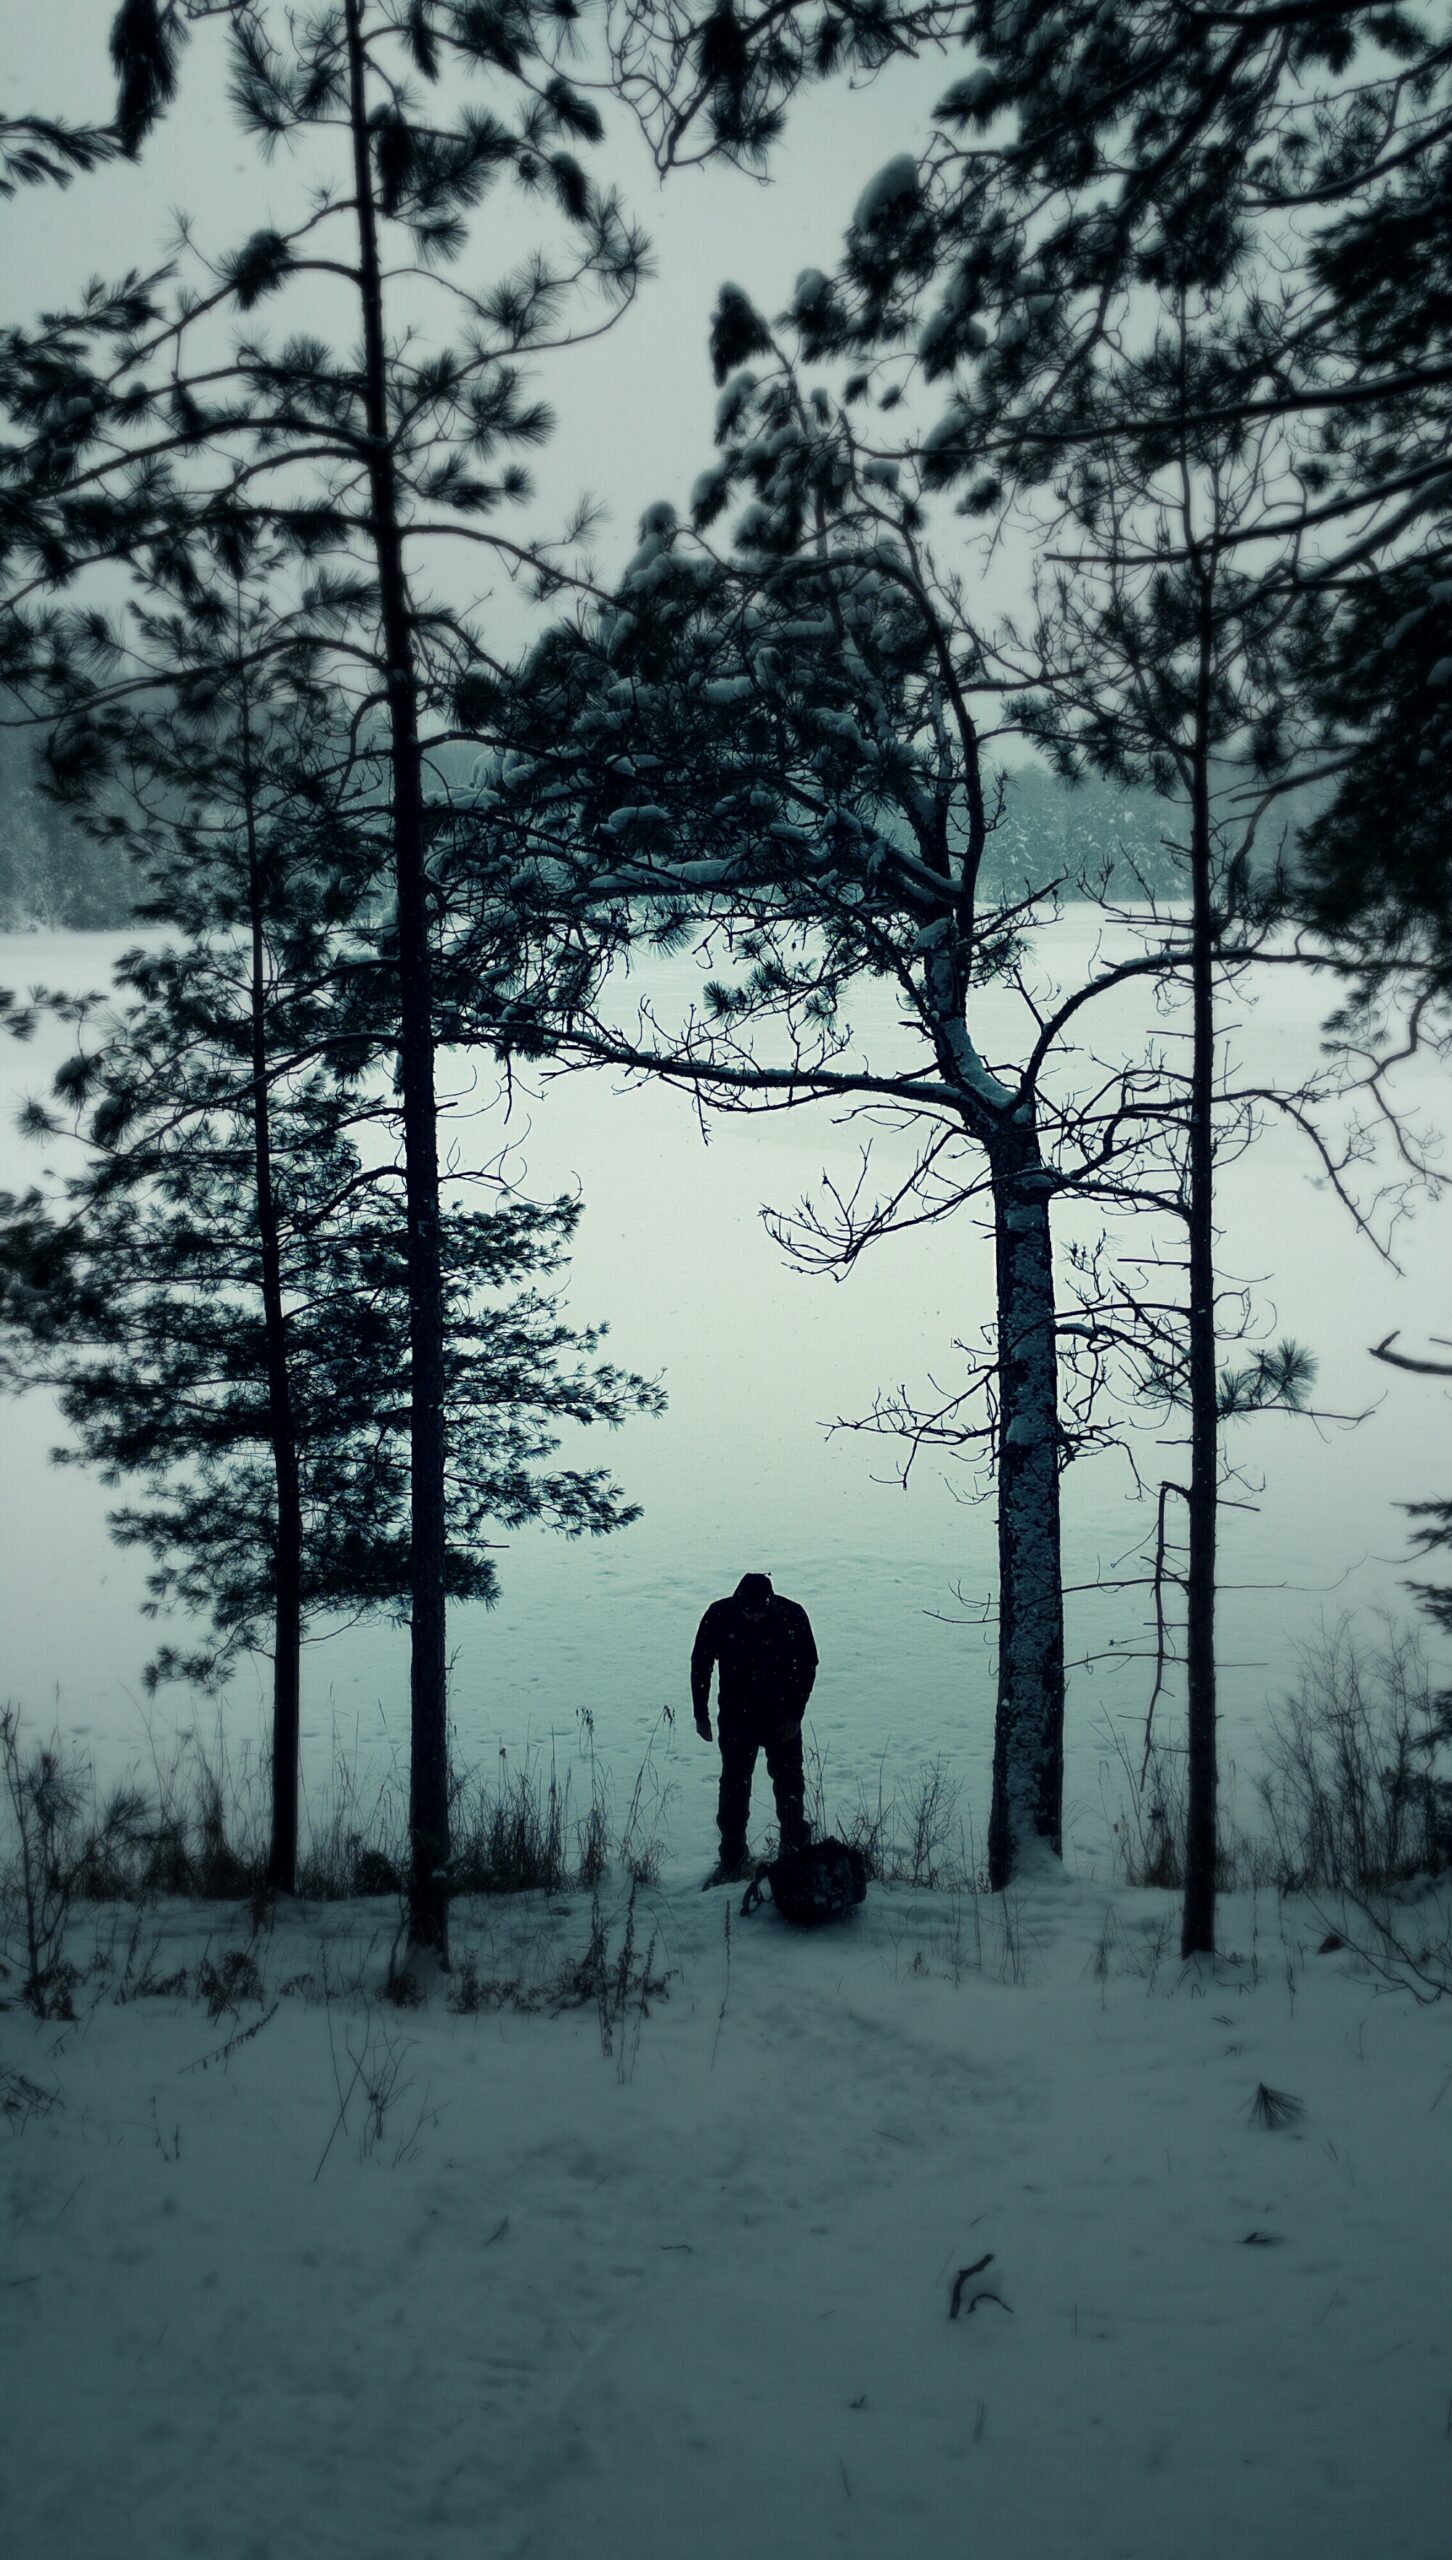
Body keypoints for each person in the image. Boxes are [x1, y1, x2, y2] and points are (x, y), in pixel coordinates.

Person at [692, 1571, 818, 1884]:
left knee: (790, 1787)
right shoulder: (719, 1615)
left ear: (770, 1603)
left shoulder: (791, 1615)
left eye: (760, 1612)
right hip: (737, 1717)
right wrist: (700, 1714)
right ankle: (733, 1860)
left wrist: (795, 1715)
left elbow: (807, 1665)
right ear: (739, 1603)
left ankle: (793, 1854)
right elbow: (701, 1664)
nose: (755, 1618)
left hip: (781, 1716)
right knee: (733, 1788)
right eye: (749, 1612)